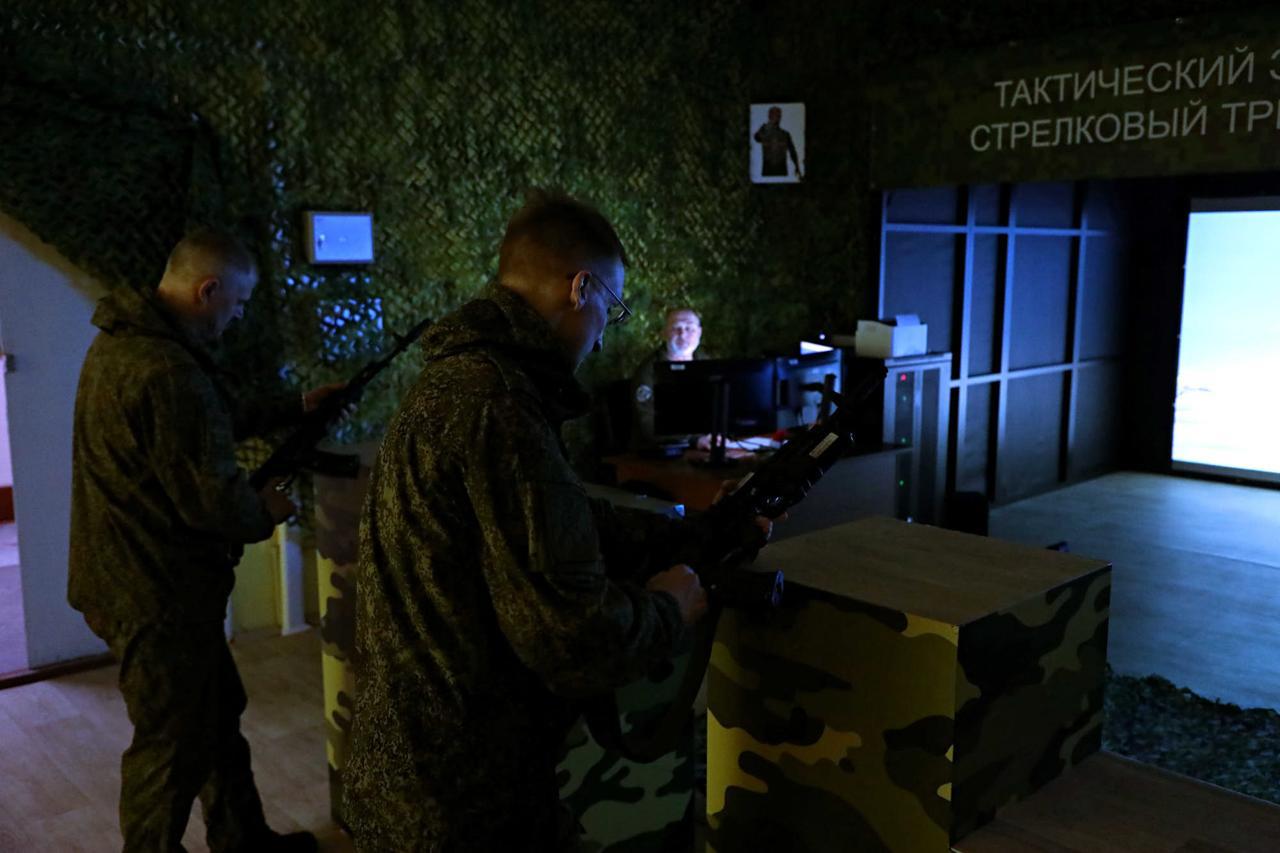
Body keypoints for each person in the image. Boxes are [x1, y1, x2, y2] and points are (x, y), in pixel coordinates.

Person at [345, 191, 746, 851]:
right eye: (610, 309)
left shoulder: (458, 381)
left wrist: (701, 534)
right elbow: (571, 639)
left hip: (414, 768)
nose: (603, 334)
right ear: (580, 288)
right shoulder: (500, 405)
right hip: (464, 800)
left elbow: (561, 523)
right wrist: (671, 608)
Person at [68, 227, 340, 852]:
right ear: (208, 289)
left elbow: (200, 426)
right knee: (170, 745)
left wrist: (297, 406)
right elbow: (213, 501)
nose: (238, 316)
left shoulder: (127, 344)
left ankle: (244, 840)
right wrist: (265, 511)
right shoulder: (168, 370)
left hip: (136, 579)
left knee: (214, 716)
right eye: (237, 303)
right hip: (154, 593)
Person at [629, 307, 709, 451]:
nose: (682, 334)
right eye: (676, 328)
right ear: (664, 333)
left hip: (704, 446)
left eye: (689, 328)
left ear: (699, 332)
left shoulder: (706, 364)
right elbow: (648, 424)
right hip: (661, 452)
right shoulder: (649, 371)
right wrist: (694, 440)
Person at [753, 105, 802, 179]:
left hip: (782, 172)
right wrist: (768, 125)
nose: (777, 117)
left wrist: (797, 167)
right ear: (769, 116)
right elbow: (756, 138)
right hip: (767, 173)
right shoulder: (764, 131)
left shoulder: (785, 134)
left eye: (778, 115)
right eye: (774, 115)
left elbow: (792, 152)